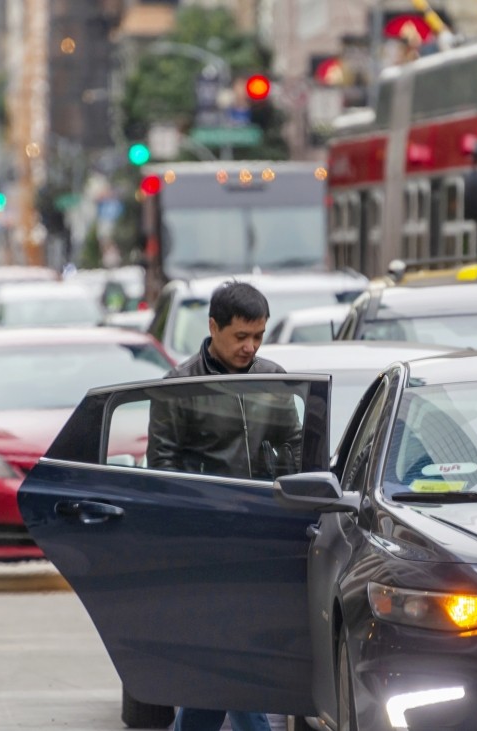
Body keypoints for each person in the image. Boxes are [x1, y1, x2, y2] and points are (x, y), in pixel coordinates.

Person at [146, 281, 300, 731]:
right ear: (213, 327)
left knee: (220, 669)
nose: (250, 347)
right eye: (240, 337)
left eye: (258, 336)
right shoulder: (179, 387)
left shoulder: (273, 380)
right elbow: (163, 470)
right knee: (233, 661)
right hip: (205, 545)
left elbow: (293, 449)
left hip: (267, 540)